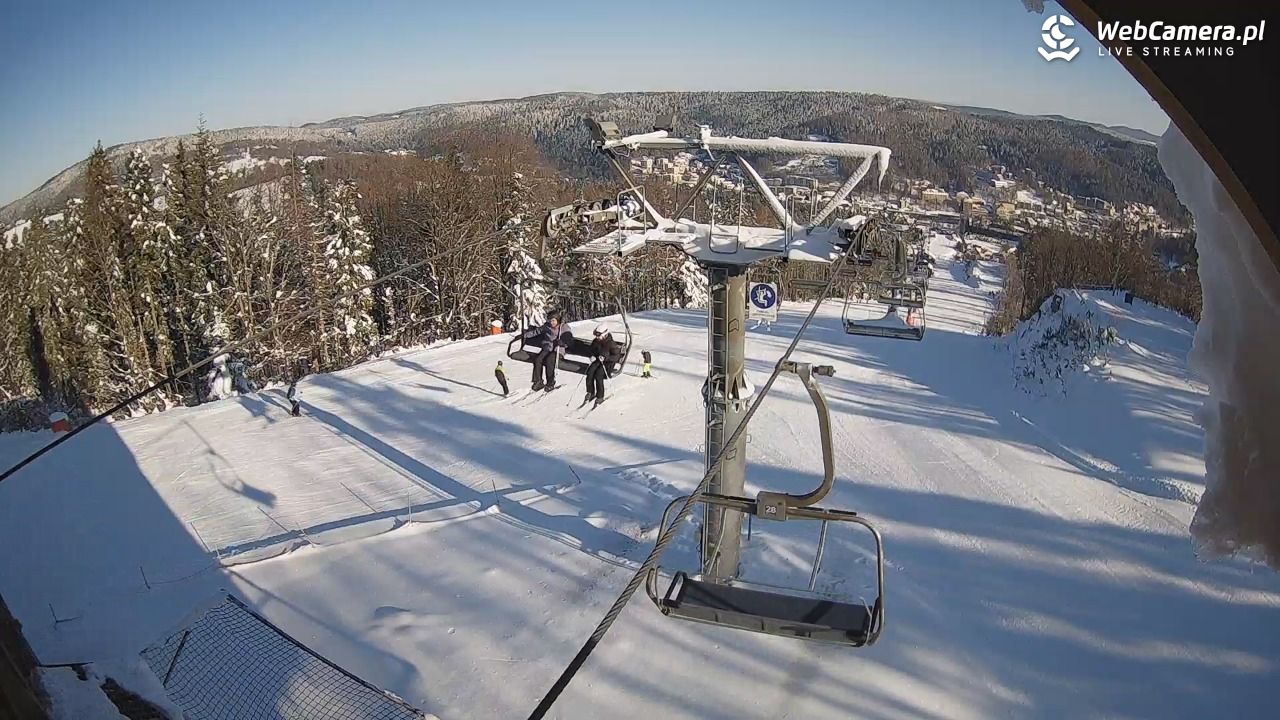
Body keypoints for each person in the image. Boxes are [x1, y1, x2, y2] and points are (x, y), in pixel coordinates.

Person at [531, 312, 572, 392]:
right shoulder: (547, 326)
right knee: (538, 359)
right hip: (547, 349)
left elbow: (569, 339)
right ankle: (538, 381)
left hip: (557, 350)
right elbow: (537, 331)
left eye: (553, 321)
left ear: (557, 320)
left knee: (549, 360)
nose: (551, 322)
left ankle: (550, 382)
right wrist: (525, 335)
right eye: (550, 320)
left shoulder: (563, 327)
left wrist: (563, 343)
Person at [585, 324, 621, 405]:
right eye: (596, 335)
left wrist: (606, 358)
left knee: (598, 375)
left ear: (604, 334)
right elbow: (591, 350)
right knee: (590, 372)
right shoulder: (596, 341)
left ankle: (600, 396)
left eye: (599, 335)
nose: (597, 337)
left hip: (608, 364)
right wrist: (592, 356)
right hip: (598, 361)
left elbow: (616, 356)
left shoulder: (611, 344)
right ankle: (590, 392)